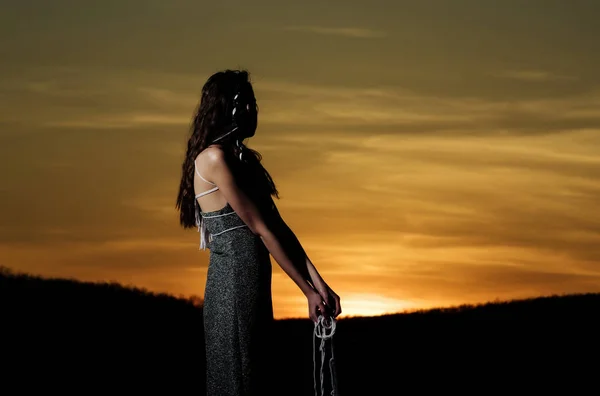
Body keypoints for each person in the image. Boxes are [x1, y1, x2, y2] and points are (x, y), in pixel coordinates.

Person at [175, 69, 342, 396]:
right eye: (246, 102)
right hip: (232, 287)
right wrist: (306, 292)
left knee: (257, 378)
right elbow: (261, 228)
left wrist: (320, 285)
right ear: (227, 108)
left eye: (254, 102)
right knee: (238, 381)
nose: (254, 110)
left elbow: (279, 227)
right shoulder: (214, 158)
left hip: (253, 284)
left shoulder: (244, 161)